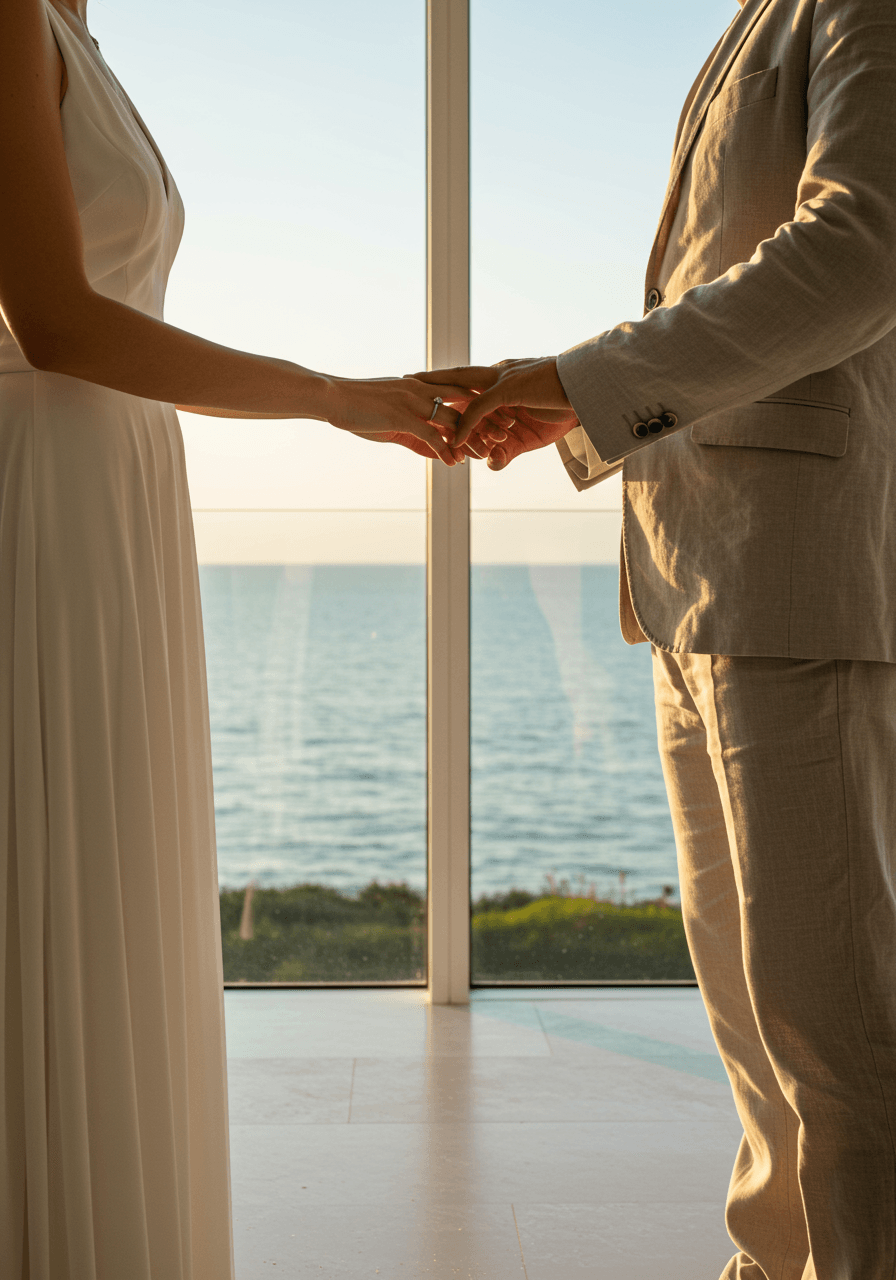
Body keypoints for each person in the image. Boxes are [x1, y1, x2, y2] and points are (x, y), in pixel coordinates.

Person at [0, 1, 471, 1275]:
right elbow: (59, 320)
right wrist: (334, 396)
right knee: (49, 857)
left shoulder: (67, 30)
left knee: (100, 863)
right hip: (44, 481)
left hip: (112, 475)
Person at [427, 0, 896, 1275]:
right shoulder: (760, 18)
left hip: (796, 572)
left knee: (832, 1015)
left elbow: (860, 253)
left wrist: (570, 382)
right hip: (699, 572)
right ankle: (773, 1256)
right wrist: (569, 410)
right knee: (753, 1007)